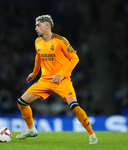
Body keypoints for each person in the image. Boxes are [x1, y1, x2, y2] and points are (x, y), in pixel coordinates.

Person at [16, 15, 98, 144]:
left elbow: (75, 58)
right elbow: (39, 57)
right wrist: (34, 73)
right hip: (44, 80)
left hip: (62, 80)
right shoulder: (37, 41)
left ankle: (92, 135)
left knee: (75, 107)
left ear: (47, 26)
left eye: (38, 25)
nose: (35, 28)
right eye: (36, 25)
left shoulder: (60, 40)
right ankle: (31, 130)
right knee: (21, 102)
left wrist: (61, 74)